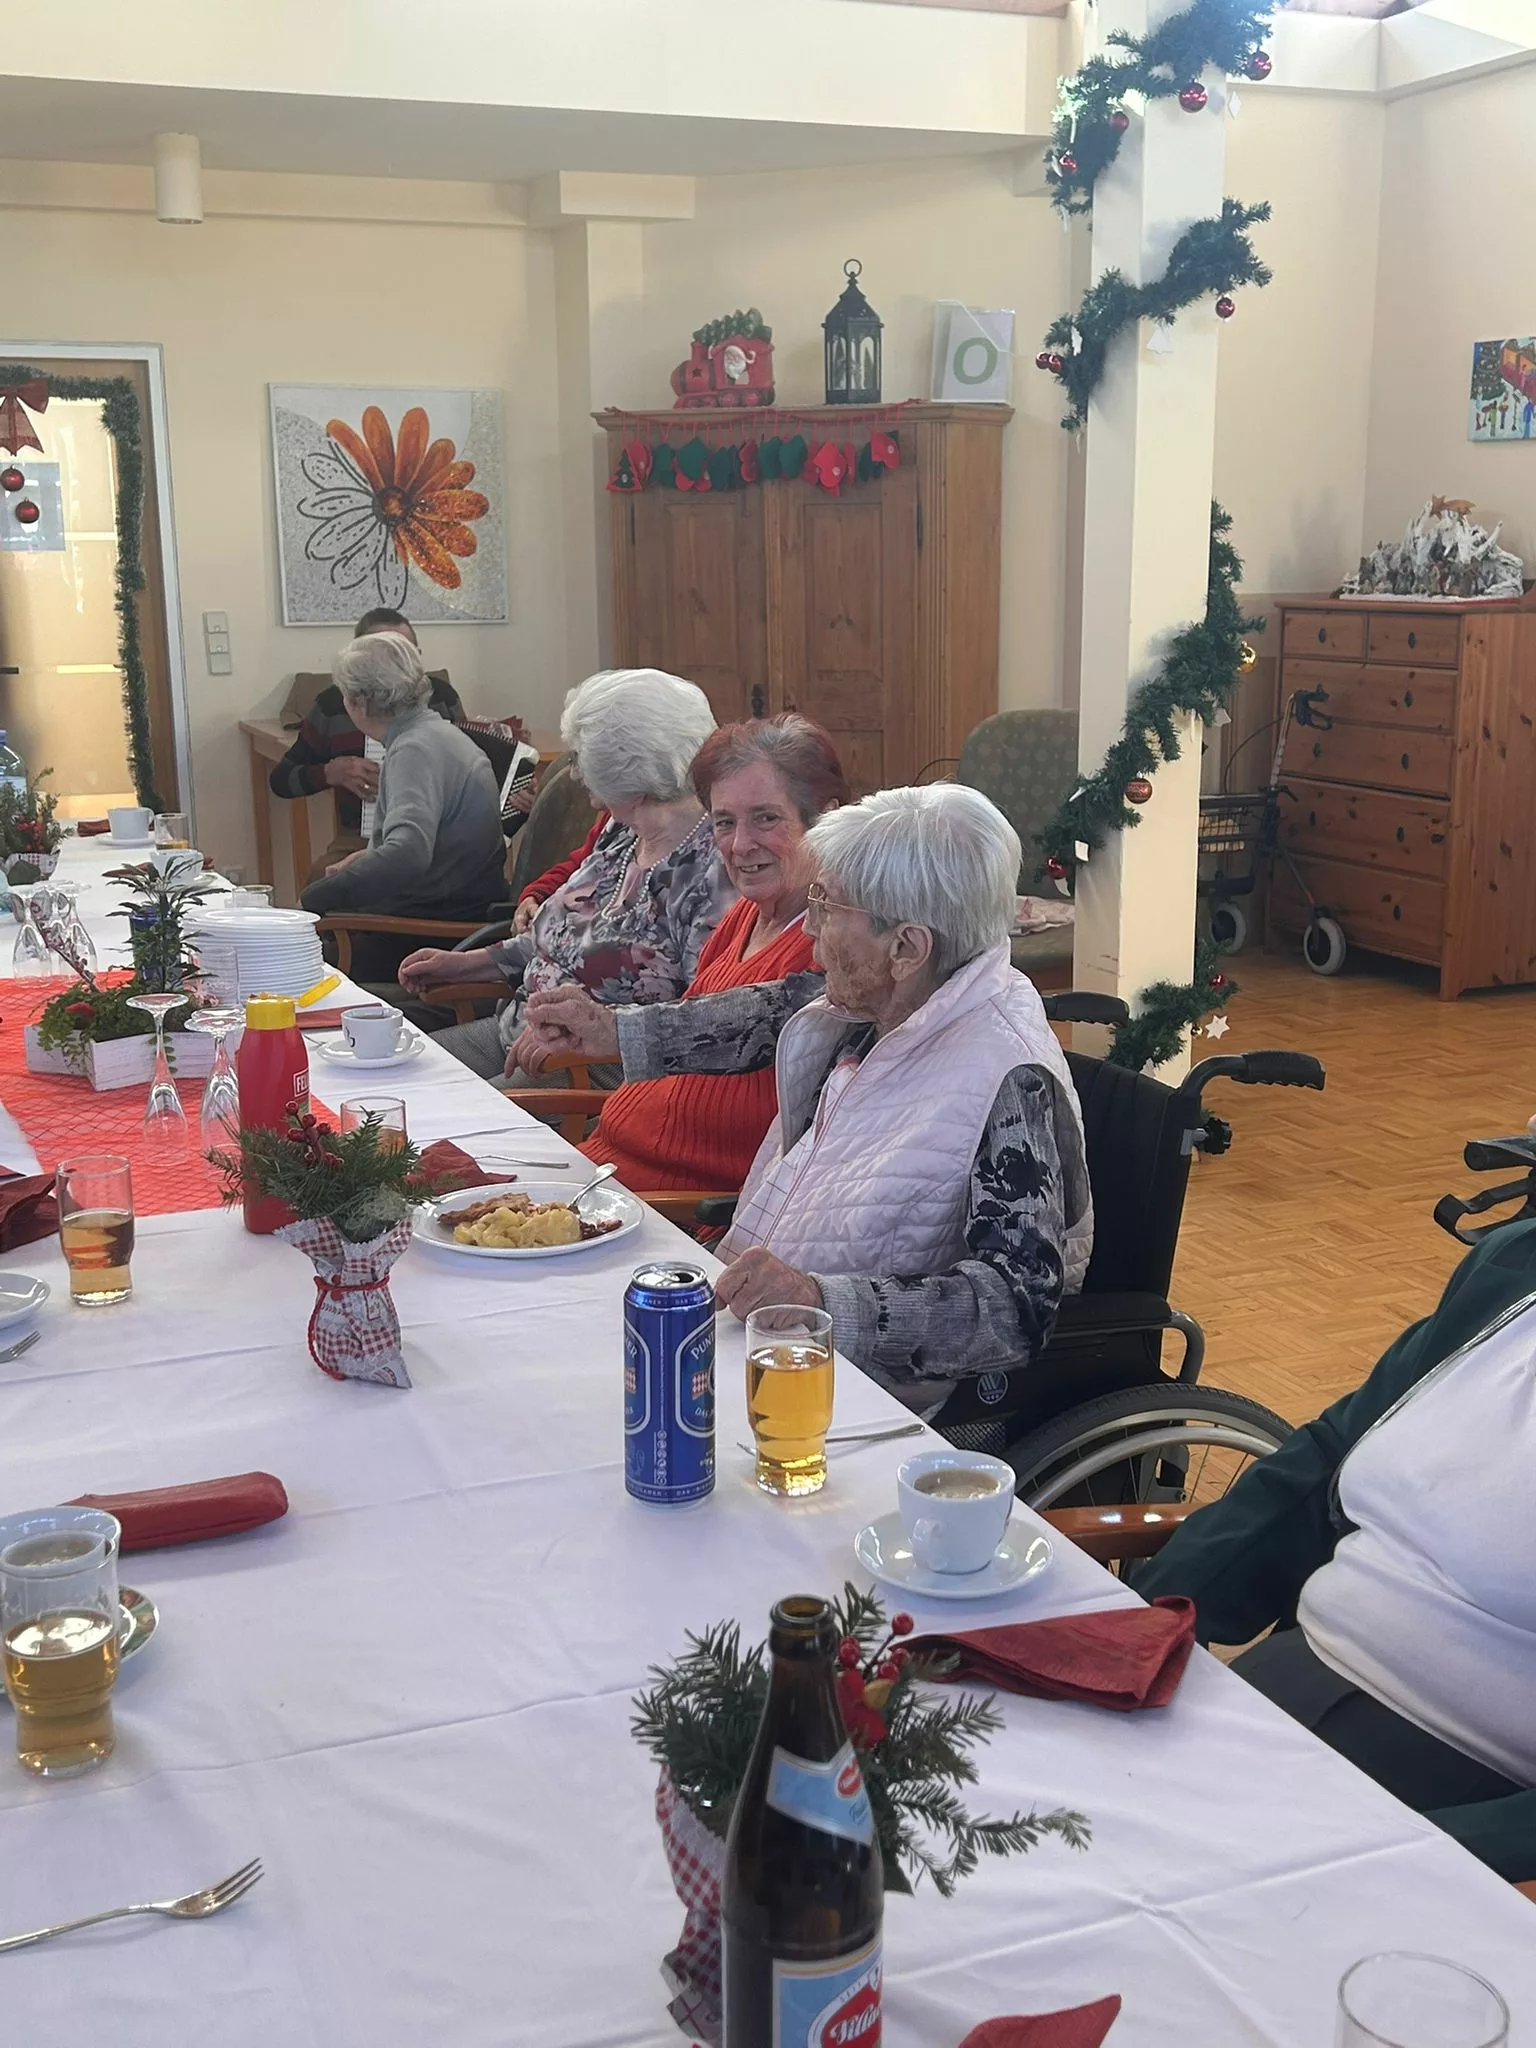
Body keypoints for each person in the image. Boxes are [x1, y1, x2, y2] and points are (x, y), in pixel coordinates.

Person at [527, 784, 1093, 1412]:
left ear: (906, 947)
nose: (810, 926)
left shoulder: (1008, 1074)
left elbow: (1015, 1307)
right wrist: (613, 1030)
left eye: (826, 904)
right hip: (757, 1337)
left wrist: (821, 1301)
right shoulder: (896, 997)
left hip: (850, 1394)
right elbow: (767, 1011)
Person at [1135, 1213, 1536, 1883]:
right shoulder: (1512, 1268)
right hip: (1272, 1692)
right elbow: (1326, 1454)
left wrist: (1423, 1857)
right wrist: (1150, 1616)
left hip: (1459, 1803)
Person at [399, 669, 732, 1090]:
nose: (574, 774)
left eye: (579, 758)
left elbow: (700, 1017)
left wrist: (589, 1028)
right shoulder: (620, 830)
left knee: (422, 1116)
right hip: (516, 1028)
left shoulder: (714, 869)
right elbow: (563, 941)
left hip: (589, 1064)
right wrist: (469, 963)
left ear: (627, 765)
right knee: (392, 1077)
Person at [562, 715, 848, 1192]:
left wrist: (611, 1030)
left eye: (766, 818)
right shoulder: (745, 915)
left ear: (825, 820)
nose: (740, 845)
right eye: (724, 822)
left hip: (670, 1204)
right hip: (606, 1167)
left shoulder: (838, 945)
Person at [299, 632, 505, 981]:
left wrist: (313, 899)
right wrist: (367, 856)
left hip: (430, 930)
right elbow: (430, 840)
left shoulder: (413, 750)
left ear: (359, 703)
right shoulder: (435, 734)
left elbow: (407, 854)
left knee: (287, 960)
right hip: (457, 909)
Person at [269, 607, 466, 885]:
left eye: (408, 655)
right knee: (323, 881)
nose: (400, 667)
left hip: (438, 835)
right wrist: (330, 772)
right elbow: (281, 780)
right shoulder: (334, 705)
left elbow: (468, 767)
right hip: (360, 838)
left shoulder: (440, 698)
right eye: (387, 657)